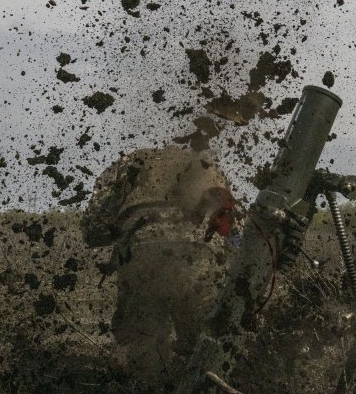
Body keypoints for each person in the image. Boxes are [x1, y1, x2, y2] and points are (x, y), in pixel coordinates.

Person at [81, 147, 242, 391]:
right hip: (200, 257)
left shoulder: (131, 163)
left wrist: (118, 231)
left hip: (142, 252)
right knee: (208, 345)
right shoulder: (207, 165)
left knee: (143, 349)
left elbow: (94, 226)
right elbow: (233, 232)